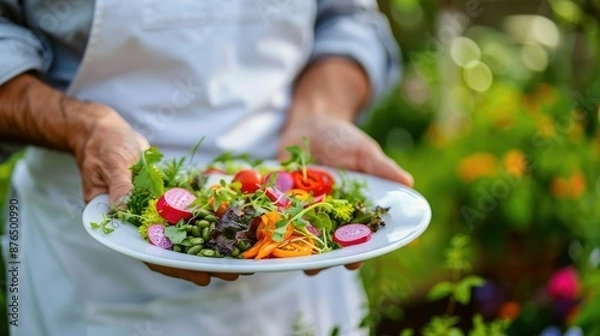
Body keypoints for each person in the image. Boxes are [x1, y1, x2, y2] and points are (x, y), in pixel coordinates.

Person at [0, 1, 413, 335]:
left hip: (297, 259)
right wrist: (84, 128)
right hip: (95, 252)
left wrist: (320, 114)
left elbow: (347, 21)